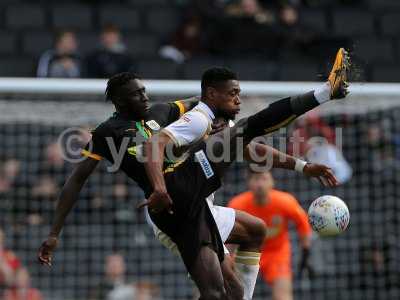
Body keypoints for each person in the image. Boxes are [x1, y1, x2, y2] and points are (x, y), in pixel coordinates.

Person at [39, 48, 349, 299]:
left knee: (232, 281)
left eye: (145, 90)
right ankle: (325, 91)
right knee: (245, 129)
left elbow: (237, 143)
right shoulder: (107, 133)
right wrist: (54, 233)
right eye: (137, 94)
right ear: (120, 101)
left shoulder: (163, 112)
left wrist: (301, 165)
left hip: (195, 200)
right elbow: (77, 179)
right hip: (170, 200)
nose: (145, 97)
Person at [140, 48, 349, 299]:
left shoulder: (221, 124)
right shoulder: (198, 119)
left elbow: (252, 150)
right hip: (179, 211)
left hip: (200, 209)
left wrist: (302, 166)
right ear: (212, 94)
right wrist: (159, 187)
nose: (238, 100)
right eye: (232, 94)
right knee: (220, 292)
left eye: (239, 93)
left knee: (252, 238)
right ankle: (325, 92)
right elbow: (153, 143)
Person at [228, 171, 312, 300]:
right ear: (248, 183)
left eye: (264, 179)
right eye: (256, 179)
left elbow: (303, 223)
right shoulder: (237, 205)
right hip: (245, 252)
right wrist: (228, 258)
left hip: (277, 253)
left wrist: (306, 252)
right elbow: (230, 234)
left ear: (272, 182)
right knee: (236, 294)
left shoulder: (285, 201)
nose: (260, 184)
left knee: (282, 296)